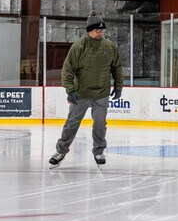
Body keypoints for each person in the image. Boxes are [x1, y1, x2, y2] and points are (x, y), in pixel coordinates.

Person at [49, 11, 123, 168]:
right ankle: (61, 151)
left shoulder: (109, 47)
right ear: (89, 30)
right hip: (81, 93)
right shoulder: (79, 47)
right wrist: (71, 90)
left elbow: (117, 68)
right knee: (72, 123)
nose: (100, 33)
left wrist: (118, 87)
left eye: (102, 31)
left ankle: (99, 151)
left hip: (101, 92)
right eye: (97, 30)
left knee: (100, 124)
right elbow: (67, 70)